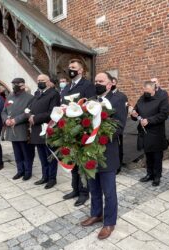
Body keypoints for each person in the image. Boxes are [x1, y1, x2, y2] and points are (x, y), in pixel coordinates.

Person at [80, 72, 126, 240]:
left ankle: (109, 222)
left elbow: (120, 126)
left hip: (107, 152)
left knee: (109, 191)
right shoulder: (91, 99)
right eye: (96, 81)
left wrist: (98, 133)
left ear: (109, 84)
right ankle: (96, 214)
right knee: (94, 187)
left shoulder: (119, 98)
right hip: (90, 152)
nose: (97, 83)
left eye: (101, 81)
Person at [60, 58, 96, 206]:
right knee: (72, 161)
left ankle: (83, 192)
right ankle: (75, 189)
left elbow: (90, 106)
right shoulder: (66, 87)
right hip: (68, 130)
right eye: (69, 67)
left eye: (73, 67)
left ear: (81, 70)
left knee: (82, 163)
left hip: (81, 129)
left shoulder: (87, 85)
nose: (70, 69)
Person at [131, 81, 169, 186]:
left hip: (156, 133)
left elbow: (164, 114)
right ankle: (149, 174)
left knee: (157, 156)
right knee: (148, 155)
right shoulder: (141, 99)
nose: (145, 93)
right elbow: (135, 112)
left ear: (154, 90)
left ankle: (157, 176)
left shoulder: (161, 99)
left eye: (148, 91)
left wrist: (149, 120)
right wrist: (133, 114)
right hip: (144, 133)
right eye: (144, 91)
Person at [28, 74, 60, 188]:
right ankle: (44, 176)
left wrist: (35, 118)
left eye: (42, 80)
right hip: (37, 129)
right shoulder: (37, 94)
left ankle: (52, 178)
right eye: (38, 80)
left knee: (50, 156)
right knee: (41, 155)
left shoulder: (53, 94)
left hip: (48, 128)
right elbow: (31, 107)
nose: (39, 82)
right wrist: (30, 114)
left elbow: (52, 112)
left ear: (48, 82)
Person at [2, 78, 34, 180]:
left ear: (23, 85)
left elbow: (28, 112)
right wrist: (6, 120)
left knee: (26, 152)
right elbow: (4, 111)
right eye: (13, 84)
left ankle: (28, 171)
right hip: (11, 128)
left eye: (17, 84)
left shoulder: (30, 97)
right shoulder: (10, 96)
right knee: (17, 152)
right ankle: (20, 170)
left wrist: (16, 120)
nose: (14, 86)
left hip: (22, 128)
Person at [111, 77, 128, 174]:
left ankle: (118, 165)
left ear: (116, 83)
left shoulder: (121, 96)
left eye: (113, 82)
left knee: (119, 145)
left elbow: (124, 111)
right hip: (109, 124)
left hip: (118, 124)